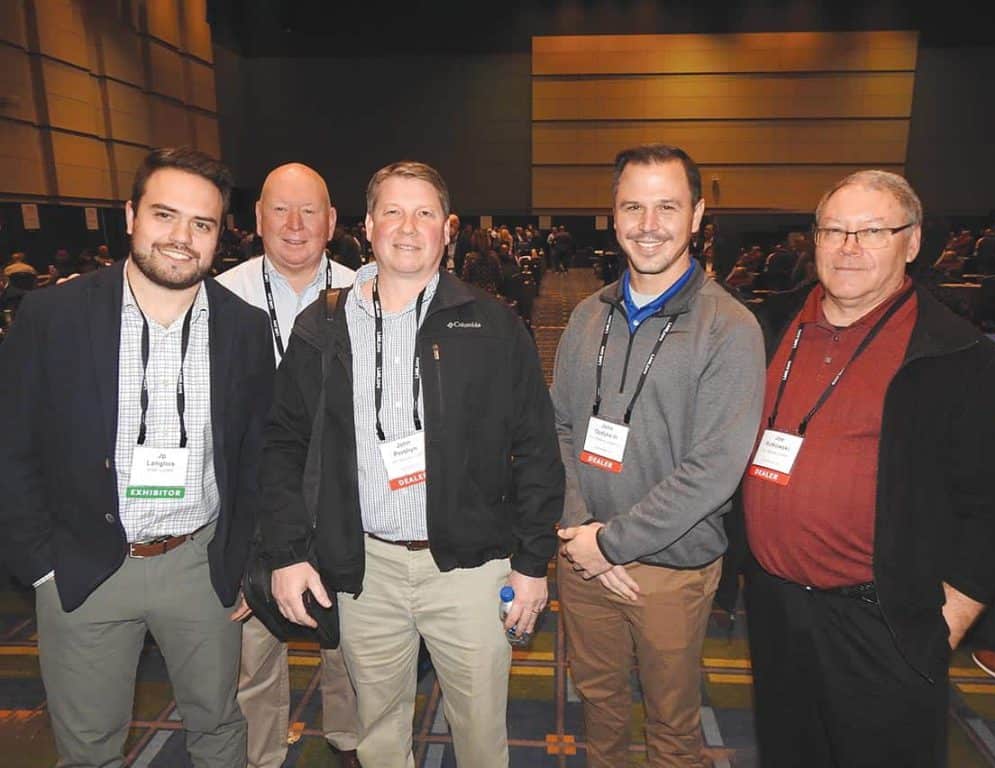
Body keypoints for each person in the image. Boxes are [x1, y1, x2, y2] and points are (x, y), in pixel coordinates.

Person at [259, 161, 564, 768]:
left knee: (480, 734)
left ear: (448, 230)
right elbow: (284, 445)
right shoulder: (321, 323)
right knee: (379, 734)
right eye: (393, 211)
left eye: (424, 213)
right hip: (366, 568)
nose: (408, 226)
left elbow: (535, 448)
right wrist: (289, 552)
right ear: (367, 226)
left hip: (471, 572)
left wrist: (531, 563)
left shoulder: (493, 325)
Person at [0, 147, 275, 767]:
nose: (181, 238)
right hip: (83, 564)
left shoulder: (244, 330)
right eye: (164, 216)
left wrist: (246, 555)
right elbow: (10, 444)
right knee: (89, 746)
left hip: (199, 565)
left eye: (201, 225)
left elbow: (259, 455)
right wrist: (39, 564)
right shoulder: (53, 316)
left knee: (219, 727)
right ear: (130, 215)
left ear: (218, 236)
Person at [741, 170, 995, 767]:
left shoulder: (958, 356)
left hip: (885, 622)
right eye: (834, 230)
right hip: (776, 609)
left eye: (871, 231)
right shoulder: (769, 326)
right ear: (813, 239)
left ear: (912, 242)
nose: (848, 248)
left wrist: (949, 619)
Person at [553, 144, 765, 767]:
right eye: (634, 207)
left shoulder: (728, 327)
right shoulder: (587, 317)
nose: (649, 225)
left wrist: (612, 542)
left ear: (697, 215)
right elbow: (559, 428)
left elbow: (715, 472)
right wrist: (580, 533)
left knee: (673, 727)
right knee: (600, 708)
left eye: (667, 207)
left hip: (669, 572)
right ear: (614, 217)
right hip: (582, 555)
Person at [216, 162, 359, 768]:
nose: (295, 225)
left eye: (309, 211)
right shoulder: (220, 298)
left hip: (343, 500)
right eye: (280, 209)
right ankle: (263, 753)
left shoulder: (370, 292)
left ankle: (352, 743)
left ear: (331, 222)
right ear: (257, 219)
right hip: (252, 502)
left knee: (352, 644)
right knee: (252, 645)